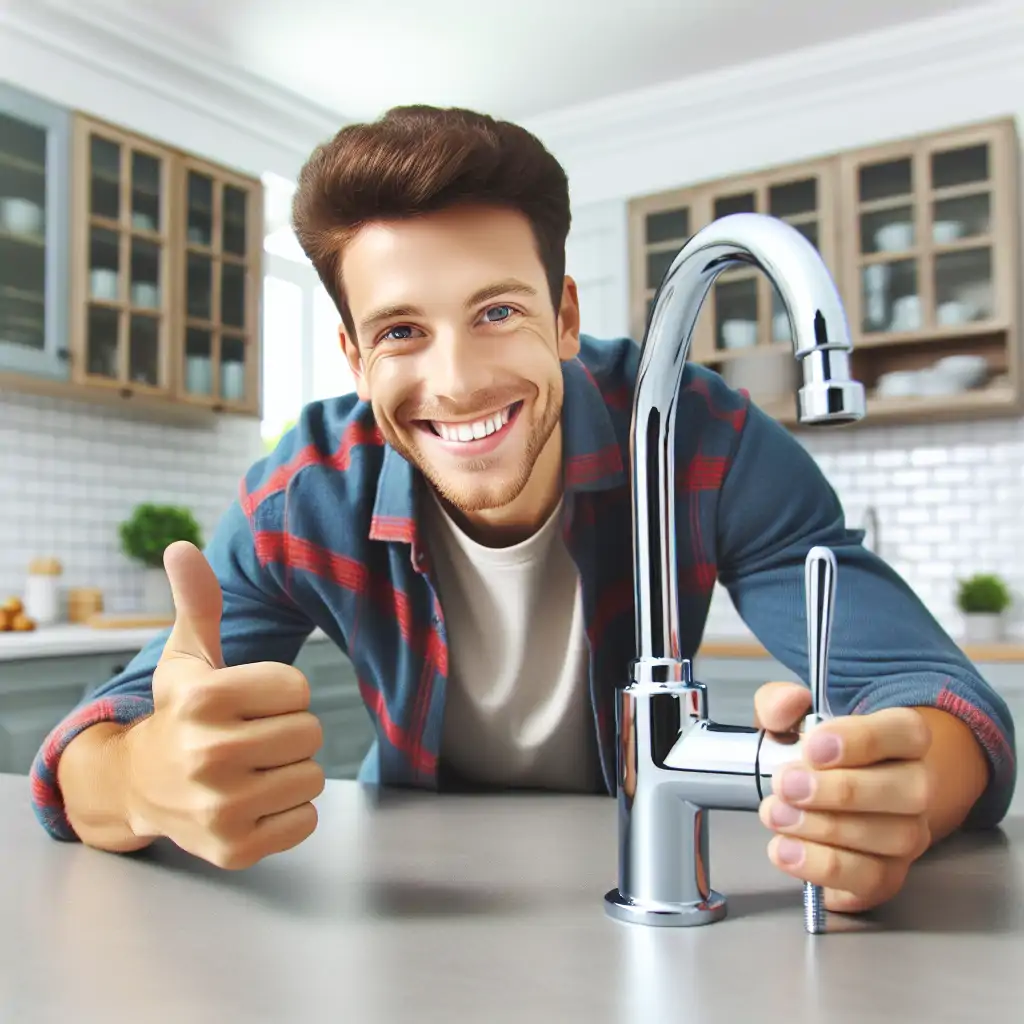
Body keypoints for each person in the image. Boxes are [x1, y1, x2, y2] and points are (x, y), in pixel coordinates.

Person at [33, 105, 1015, 916]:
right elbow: (99, 741)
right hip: (412, 909)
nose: (455, 382)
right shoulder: (306, 489)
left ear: (565, 316)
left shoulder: (699, 436)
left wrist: (898, 785)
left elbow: (935, 695)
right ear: (352, 356)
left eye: (497, 311)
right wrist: (144, 775)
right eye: (402, 330)